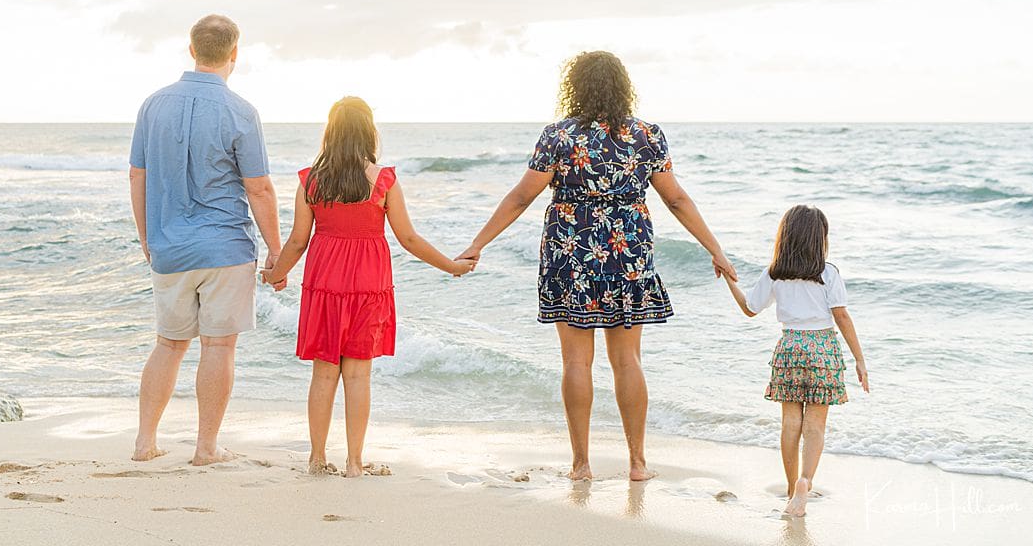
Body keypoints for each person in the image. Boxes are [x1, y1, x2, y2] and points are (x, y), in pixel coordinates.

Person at [457, 51, 737, 481]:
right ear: (623, 87)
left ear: (575, 86)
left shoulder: (558, 136)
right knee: (628, 361)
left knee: (576, 362)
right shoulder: (647, 135)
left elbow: (521, 197)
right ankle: (637, 464)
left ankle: (581, 465)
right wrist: (715, 249)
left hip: (571, 254)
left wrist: (477, 244)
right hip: (628, 255)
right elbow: (677, 199)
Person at [261, 97, 475, 477]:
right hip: (368, 284)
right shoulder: (385, 180)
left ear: (330, 133)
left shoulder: (310, 180)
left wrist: (276, 273)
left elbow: (297, 241)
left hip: (324, 284)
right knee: (359, 375)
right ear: (369, 132)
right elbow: (409, 239)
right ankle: (355, 463)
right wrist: (451, 267)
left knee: (323, 374)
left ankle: (316, 458)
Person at [128, 14, 283, 466]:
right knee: (218, 346)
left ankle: (144, 443)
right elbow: (259, 188)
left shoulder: (153, 105)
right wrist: (276, 251)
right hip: (225, 246)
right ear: (235, 53)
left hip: (169, 247)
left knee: (168, 344)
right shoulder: (241, 111)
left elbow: (137, 175)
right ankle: (206, 447)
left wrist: (146, 237)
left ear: (192, 49)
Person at [722, 204, 869, 517]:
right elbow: (842, 316)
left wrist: (729, 280)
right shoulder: (828, 273)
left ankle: (791, 490)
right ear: (820, 238)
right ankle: (806, 482)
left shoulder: (775, 273)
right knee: (815, 425)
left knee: (790, 423)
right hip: (823, 348)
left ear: (785, 236)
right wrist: (859, 359)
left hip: (790, 347)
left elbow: (749, 308)